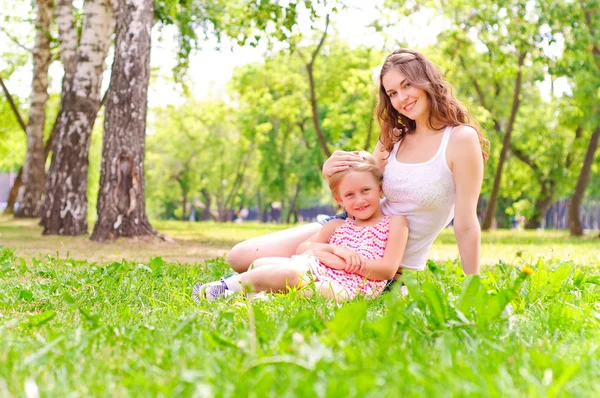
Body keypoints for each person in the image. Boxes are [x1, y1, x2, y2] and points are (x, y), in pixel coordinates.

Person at [226, 48, 488, 276]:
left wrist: (472, 285)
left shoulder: (460, 139)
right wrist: (331, 175)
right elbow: (360, 193)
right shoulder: (394, 138)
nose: (402, 98)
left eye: (408, 85)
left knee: (265, 268)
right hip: (350, 229)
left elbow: (465, 223)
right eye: (393, 92)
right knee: (240, 257)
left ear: (426, 81)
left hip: (384, 256)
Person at [193, 154, 409, 302]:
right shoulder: (337, 225)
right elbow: (303, 249)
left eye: (365, 190)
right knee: (262, 262)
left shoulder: (395, 223)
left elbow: (388, 270)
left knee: (303, 281)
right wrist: (334, 251)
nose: (359, 200)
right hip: (315, 269)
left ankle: (227, 289)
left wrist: (343, 265)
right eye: (350, 195)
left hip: (351, 286)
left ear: (380, 189)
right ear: (339, 199)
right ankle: (247, 290)